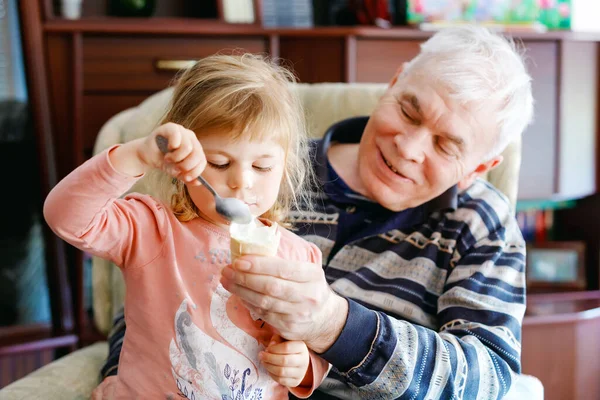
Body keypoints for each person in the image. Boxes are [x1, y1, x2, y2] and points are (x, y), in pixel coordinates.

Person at [104, 25, 534, 399]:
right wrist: (125, 379)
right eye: (408, 110)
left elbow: (489, 378)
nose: (408, 146)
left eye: (445, 145)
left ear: (478, 168)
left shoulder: (482, 225)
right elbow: (160, 283)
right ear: (395, 82)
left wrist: (334, 326)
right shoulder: (265, 170)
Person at [43, 54, 330, 399]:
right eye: (219, 163)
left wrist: (302, 364)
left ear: (285, 167)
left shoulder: (300, 257)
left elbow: (307, 340)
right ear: (183, 162)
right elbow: (65, 216)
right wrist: (136, 156)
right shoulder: (151, 229)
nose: (242, 181)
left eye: (263, 166)